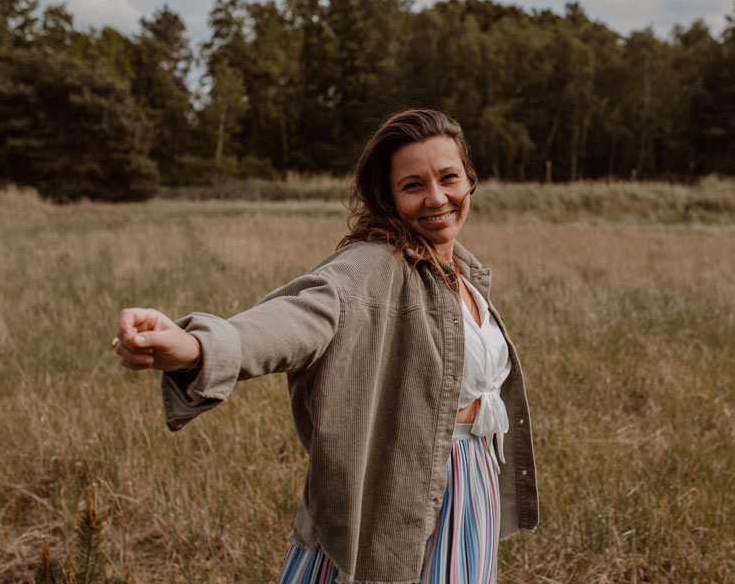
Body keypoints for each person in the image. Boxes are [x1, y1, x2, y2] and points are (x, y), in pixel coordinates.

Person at [113, 109, 538, 584]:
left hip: (471, 484)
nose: (436, 198)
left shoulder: (464, 274)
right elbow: (298, 319)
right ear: (389, 196)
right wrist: (197, 347)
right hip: (398, 488)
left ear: (470, 182)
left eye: (448, 178)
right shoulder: (372, 266)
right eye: (413, 185)